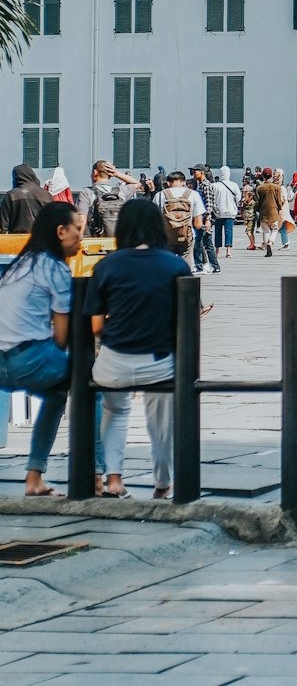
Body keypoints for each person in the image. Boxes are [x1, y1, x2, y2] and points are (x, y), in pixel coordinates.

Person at [85, 197, 190, 499]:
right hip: (159, 360)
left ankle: (114, 479)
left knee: (114, 412)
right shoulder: (175, 265)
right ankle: (163, 482)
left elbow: (95, 327)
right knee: (160, 422)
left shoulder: (106, 266)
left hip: (114, 360)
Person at [0, 201, 96, 494]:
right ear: (60, 232)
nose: (81, 237)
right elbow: (63, 336)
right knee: (93, 386)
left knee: (56, 395)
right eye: (77, 231)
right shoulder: (55, 269)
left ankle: (35, 478)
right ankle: (97, 476)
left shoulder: (19, 265)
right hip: (30, 360)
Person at [153, 171, 205, 266]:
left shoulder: (159, 195)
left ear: (168, 183)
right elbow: (198, 225)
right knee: (187, 265)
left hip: (166, 237)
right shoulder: (193, 194)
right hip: (187, 235)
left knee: (166, 264)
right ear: (184, 182)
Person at [80, 161, 139, 239]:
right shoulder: (120, 192)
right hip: (117, 242)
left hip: (95, 243)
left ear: (95, 172)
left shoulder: (86, 192)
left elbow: (81, 219)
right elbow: (137, 184)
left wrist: (78, 238)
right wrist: (116, 173)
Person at [0, 163, 52, 233]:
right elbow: (52, 222)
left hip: (17, 241)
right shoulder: (46, 195)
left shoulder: (10, 195)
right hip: (40, 240)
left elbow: (3, 226)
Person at [190, 166, 219, 273]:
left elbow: (209, 203)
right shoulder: (201, 185)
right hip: (201, 217)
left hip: (203, 218)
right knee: (207, 243)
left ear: (202, 172)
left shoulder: (205, 185)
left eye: (195, 171)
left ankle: (199, 266)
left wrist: (208, 219)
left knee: (198, 243)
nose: (193, 173)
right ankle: (215, 266)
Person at [210, 166, 240, 260]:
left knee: (217, 231)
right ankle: (228, 250)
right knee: (229, 231)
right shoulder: (234, 185)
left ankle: (217, 250)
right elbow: (238, 197)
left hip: (219, 212)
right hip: (230, 211)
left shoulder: (215, 185)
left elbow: (212, 197)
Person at [255, 169, 283, 257]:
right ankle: (270, 242)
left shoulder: (259, 188)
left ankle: (267, 247)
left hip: (263, 211)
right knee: (275, 229)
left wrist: (258, 209)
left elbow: (257, 201)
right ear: (271, 176)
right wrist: (280, 207)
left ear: (263, 176)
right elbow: (278, 200)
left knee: (265, 230)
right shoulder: (276, 187)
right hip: (273, 211)